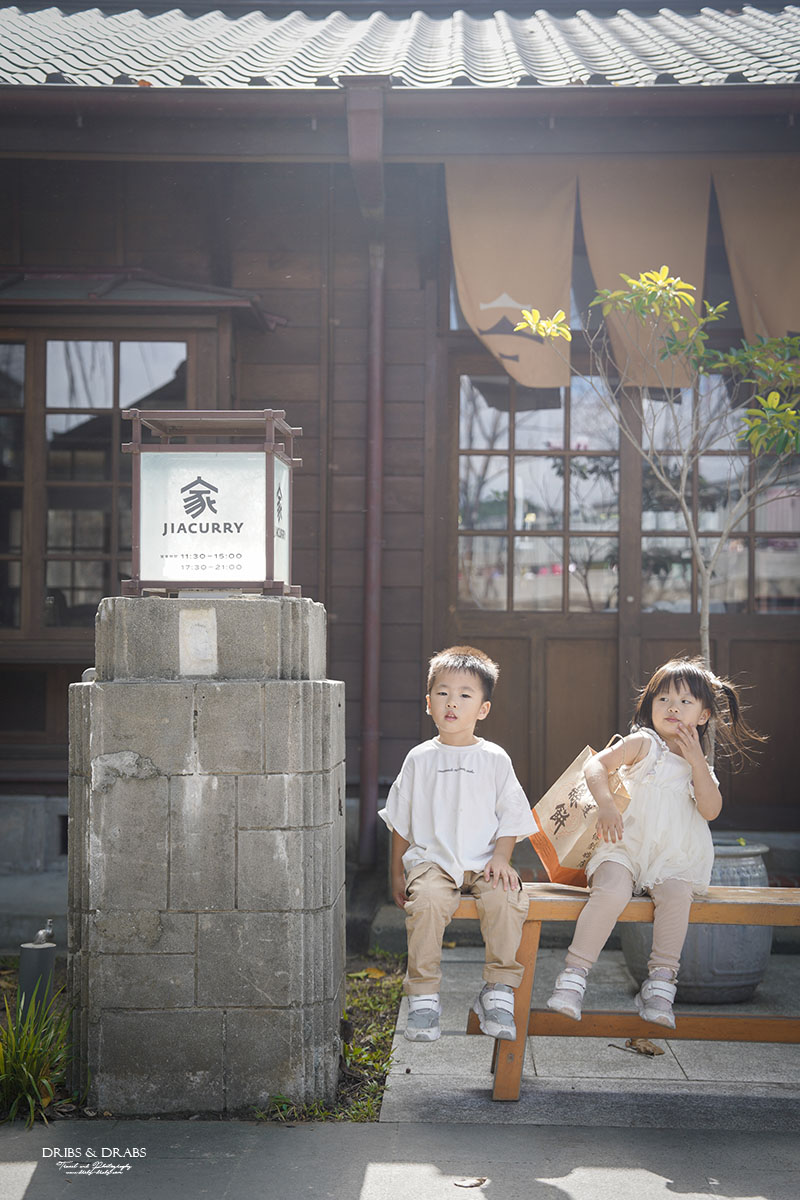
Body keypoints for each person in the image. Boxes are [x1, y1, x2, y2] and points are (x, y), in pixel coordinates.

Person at [546, 656, 765, 1029]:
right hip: (623, 847)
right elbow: (595, 766)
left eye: (684, 702)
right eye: (663, 699)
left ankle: (661, 983)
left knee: (677, 896)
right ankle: (574, 976)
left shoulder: (701, 767)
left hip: (672, 857)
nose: (673, 708)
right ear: (650, 706)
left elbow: (711, 810)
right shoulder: (644, 744)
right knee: (612, 891)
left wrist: (697, 761)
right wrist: (606, 805)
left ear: (704, 715)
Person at [379, 645, 536, 1043]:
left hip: (485, 861)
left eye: (465, 695)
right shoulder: (419, 758)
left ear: (482, 709)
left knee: (507, 899)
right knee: (428, 902)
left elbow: (511, 816)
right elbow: (401, 821)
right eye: (443, 693)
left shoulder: (495, 759)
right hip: (432, 862)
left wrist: (503, 856)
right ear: (428, 703)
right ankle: (424, 997)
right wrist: (396, 873)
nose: (453, 703)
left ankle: (498, 990)